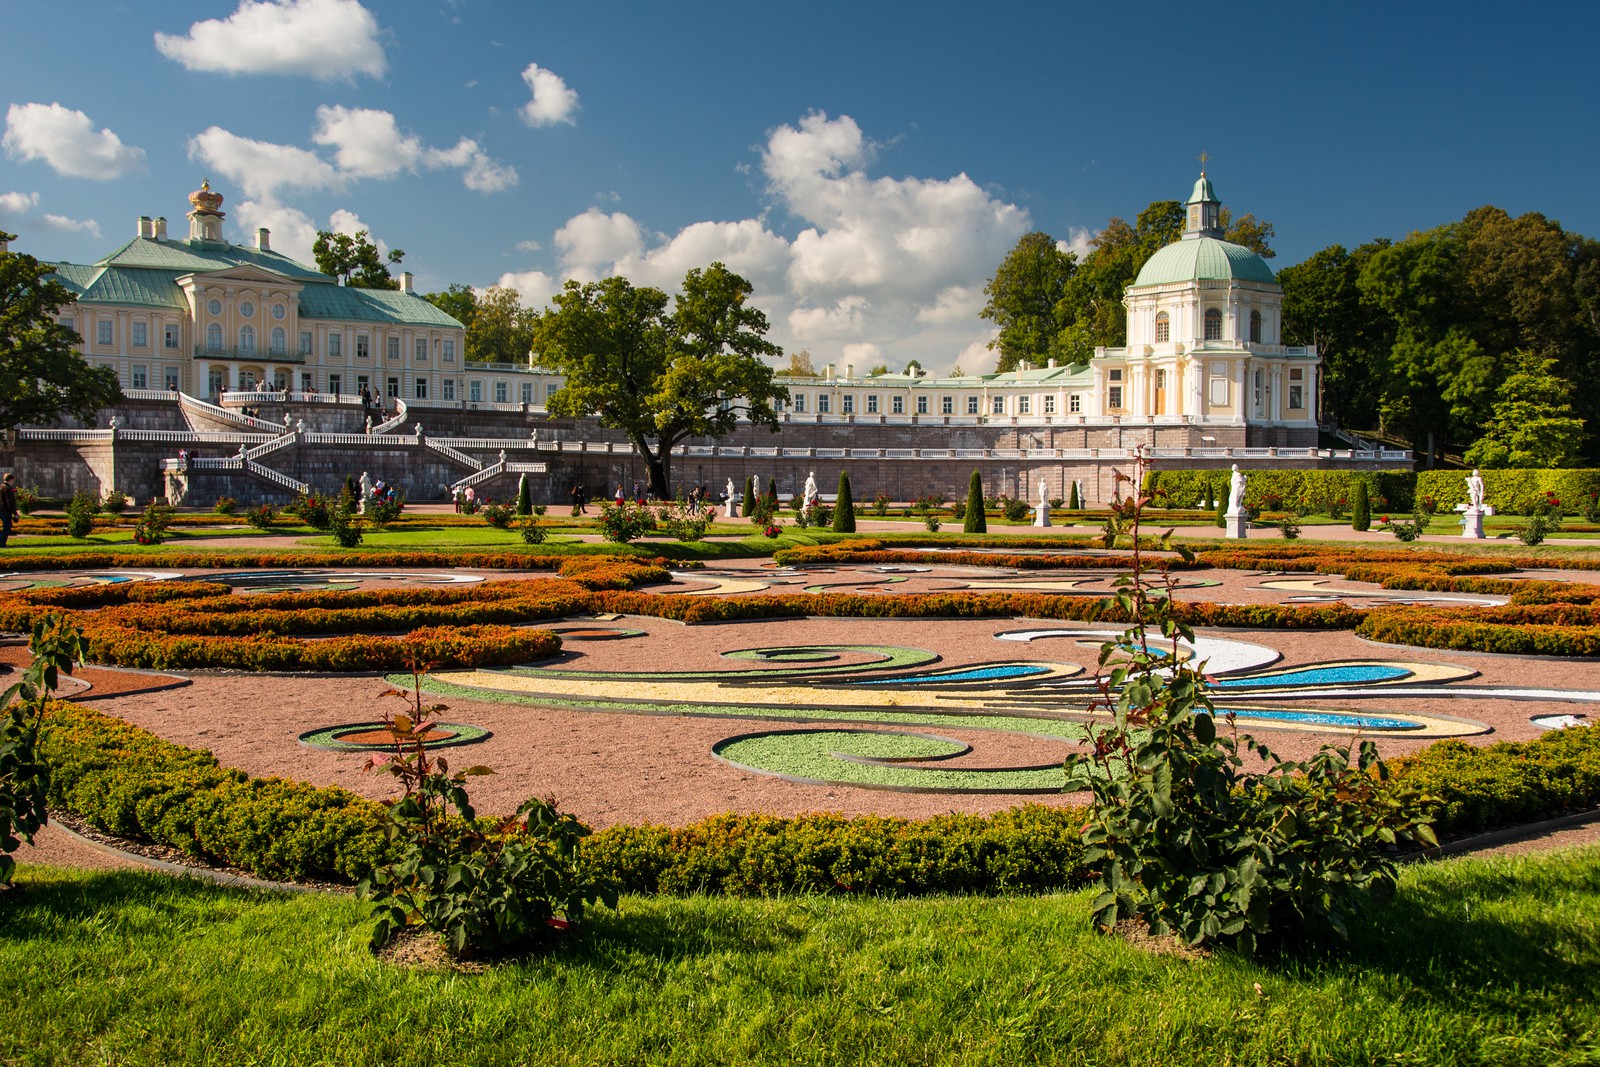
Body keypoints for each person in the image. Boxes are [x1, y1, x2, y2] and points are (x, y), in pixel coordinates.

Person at [0, 473, 18, 549]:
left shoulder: (0, 487)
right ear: (11, 480)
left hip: (0, 510)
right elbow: (9, 502)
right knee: (7, 527)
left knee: (6, 527)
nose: (13, 482)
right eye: (13, 480)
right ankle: (1, 543)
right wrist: (15, 513)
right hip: (6, 511)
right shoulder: (8, 488)